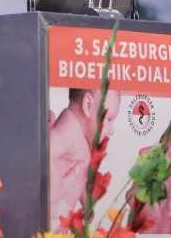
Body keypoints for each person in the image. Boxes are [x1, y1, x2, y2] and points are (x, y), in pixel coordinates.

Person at [49, 88, 121, 230]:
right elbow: (45, 152)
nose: (111, 129)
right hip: (51, 219)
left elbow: (81, 176)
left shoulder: (83, 139)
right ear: (88, 105)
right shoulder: (70, 128)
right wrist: (56, 189)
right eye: (109, 119)